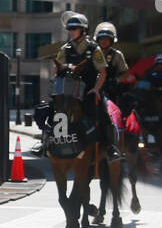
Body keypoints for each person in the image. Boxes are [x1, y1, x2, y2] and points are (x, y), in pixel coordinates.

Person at [47, 11, 113, 157]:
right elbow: (57, 71)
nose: (71, 32)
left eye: (74, 29)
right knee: (50, 109)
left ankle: (110, 147)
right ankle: (46, 143)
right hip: (68, 91)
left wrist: (96, 89)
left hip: (88, 91)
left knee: (104, 114)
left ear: (83, 30)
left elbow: (102, 72)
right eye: (69, 29)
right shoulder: (64, 49)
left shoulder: (94, 49)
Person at [90, 22, 127, 160]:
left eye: (107, 39)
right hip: (93, 89)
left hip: (111, 90)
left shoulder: (117, 55)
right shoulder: (92, 52)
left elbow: (125, 73)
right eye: (101, 38)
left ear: (111, 41)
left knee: (117, 113)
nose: (103, 41)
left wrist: (116, 81)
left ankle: (116, 144)